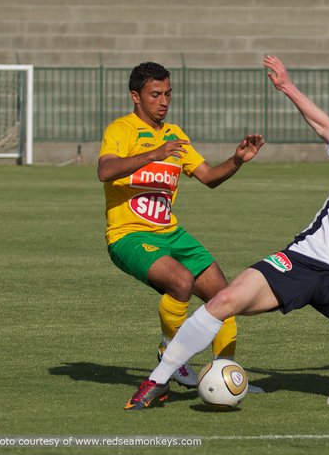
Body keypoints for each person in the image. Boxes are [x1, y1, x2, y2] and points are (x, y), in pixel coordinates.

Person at [124, 55, 329, 414]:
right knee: (223, 299)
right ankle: (156, 381)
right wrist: (287, 87)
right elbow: (322, 124)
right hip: (301, 260)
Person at [98, 62, 265, 399]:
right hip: (129, 235)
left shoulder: (176, 135)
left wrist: (236, 160)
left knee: (225, 298)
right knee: (180, 281)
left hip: (171, 234)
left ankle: (227, 376)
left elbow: (208, 177)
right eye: (155, 94)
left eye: (168, 94)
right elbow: (106, 170)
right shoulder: (122, 130)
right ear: (136, 96)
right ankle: (172, 358)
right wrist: (154, 154)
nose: (164, 101)